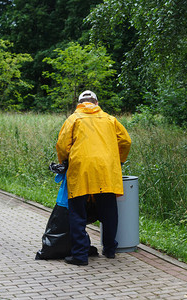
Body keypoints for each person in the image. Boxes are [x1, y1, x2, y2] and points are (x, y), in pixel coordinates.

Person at [56, 90, 131, 266]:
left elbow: (62, 145)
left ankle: (80, 256)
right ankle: (110, 249)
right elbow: (126, 141)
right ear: (96, 103)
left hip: (81, 170)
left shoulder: (73, 119)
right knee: (109, 210)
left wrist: (64, 161)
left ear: (79, 104)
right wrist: (119, 159)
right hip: (106, 171)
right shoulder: (110, 120)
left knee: (77, 213)